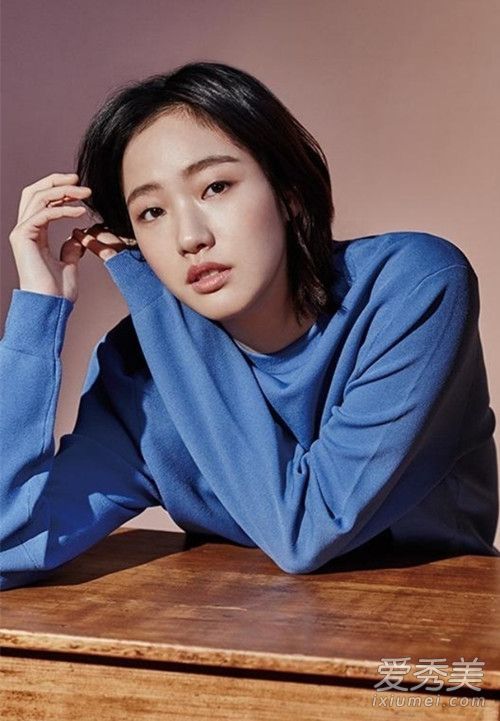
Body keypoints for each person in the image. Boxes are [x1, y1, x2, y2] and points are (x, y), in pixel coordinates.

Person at [0, 62, 497, 592]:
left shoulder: (409, 289)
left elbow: (308, 530)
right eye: (151, 212)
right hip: (237, 628)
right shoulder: (140, 371)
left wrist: (151, 298)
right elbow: (12, 545)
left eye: (216, 186)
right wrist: (36, 316)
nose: (189, 238)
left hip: (430, 624)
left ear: (288, 190)